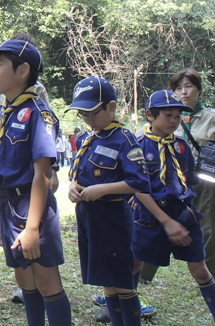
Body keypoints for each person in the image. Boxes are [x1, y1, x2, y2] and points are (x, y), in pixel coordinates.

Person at [0, 38, 72, 325]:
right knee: (25, 280)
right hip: (7, 206)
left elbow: (42, 175)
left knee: (46, 282)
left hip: (32, 207)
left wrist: (32, 228)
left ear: (22, 71)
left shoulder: (38, 114)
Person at [67, 77, 151, 326]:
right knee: (107, 282)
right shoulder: (87, 138)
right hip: (90, 218)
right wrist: (72, 186)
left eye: (92, 113)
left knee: (122, 283)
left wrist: (102, 190)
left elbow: (140, 182)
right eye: (83, 114)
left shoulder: (123, 139)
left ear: (111, 107)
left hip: (113, 217)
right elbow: (77, 172)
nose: (88, 119)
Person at [132, 89, 215, 321]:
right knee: (135, 262)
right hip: (149, 217)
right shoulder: (138, 146)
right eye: (168, 115)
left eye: (177, 116)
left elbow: (188, 180)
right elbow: (139, 188)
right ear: (150, 114)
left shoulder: (181, 147)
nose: (173, 121)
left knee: (200, 268)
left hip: (183, 215)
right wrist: (165, 221)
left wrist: (185, 214)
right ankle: (124, 309)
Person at [170, 69, 215, 278]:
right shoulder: (168, 117)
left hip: (203, 180)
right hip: (172, 179)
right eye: (178, 88)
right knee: (157, 220)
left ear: (198, 89)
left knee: (206, 225)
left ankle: (206, 271)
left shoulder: (211, 118)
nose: (183, 92)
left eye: (188, 86)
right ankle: (142, 273)